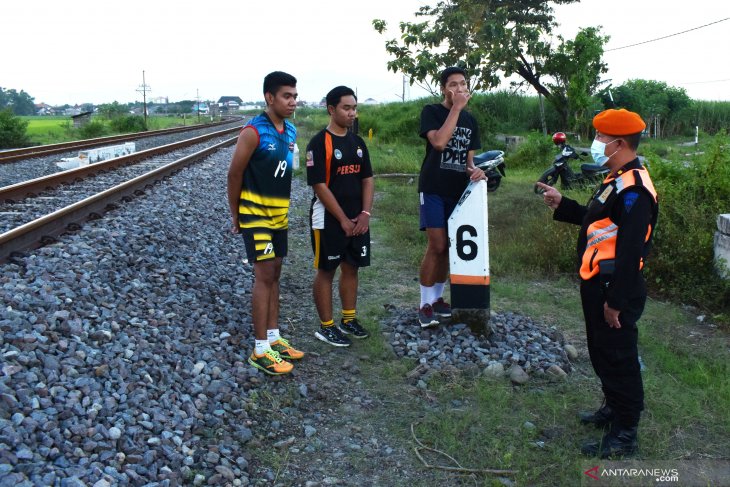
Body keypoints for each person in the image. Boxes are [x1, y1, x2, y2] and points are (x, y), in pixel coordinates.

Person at [536, 108, 658, 458]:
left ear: (619, 143)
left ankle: (625, 433)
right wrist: (563, 204)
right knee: (602, 352)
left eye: (602, 138)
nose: (596, 143)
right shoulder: (616, 178)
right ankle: (612, 409)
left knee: (619, 357)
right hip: (597, 282)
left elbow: (632, 250)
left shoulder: (635, 189)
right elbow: (598, 222)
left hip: (614, 288)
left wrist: (616, 301)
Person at [227, 71, 304, 375]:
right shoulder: (253, 131)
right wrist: (236, 214)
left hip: (279, 215)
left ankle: (274, 338)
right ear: (269, 97)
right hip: (255, 213)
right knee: (264, 274)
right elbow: (234, 174)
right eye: (287, 96)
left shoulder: (291, 131)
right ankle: (260, 349)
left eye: (295, 96)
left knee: (275, 273)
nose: (293, 102)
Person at [417, 66, 486, 328]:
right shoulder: (432, 112)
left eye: (463, 84)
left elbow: (468, 161)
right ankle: (424, 302)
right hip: (433, 187)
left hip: (457, 191)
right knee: (435, 245)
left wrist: (476, 170)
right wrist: (456, 109)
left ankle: (437, 299)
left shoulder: (471, 121)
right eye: (453, 84)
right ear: (444, 88)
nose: (459, 88)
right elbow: (439, 143)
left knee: (449, 246)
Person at [306, 86, 374, 347]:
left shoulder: (357, 143)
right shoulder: (319, 142)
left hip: (358, 218)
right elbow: (319, 186)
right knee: (327, 269)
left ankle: (348, 319)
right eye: (347, 108)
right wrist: (343, 220)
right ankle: (326, 326)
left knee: (352, 266)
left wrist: (365, 214)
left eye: (354, 108)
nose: (352, 113)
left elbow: (367, 179)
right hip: (329, 220)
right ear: (331, 109)